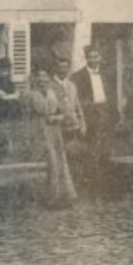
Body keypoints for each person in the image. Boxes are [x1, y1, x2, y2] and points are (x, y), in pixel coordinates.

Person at [24, 66, 77, 208]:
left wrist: (58, 118)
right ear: (34, 79)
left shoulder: (53, 92)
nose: (42, 80)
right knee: (50, 162)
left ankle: (62, 196)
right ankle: (49, 197)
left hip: (54, 131)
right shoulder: (30, 95)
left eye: (45, 77)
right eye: (39, 77)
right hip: (39, 131)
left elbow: (64, 111)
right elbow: (30, 115)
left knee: (59, 162)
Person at [71, 45, 119, 192]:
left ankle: (105, 185)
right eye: (91, 56)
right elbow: (77, 100)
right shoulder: (78, 77)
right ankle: (91, 185)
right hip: (90, 116)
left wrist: (114, 113)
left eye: (96, 56)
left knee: (106, 150)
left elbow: (112, 95)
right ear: (86, 58)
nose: (94, 59)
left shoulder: (106, 74)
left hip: (105, 114)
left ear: (100, 57)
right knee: (91, 151)